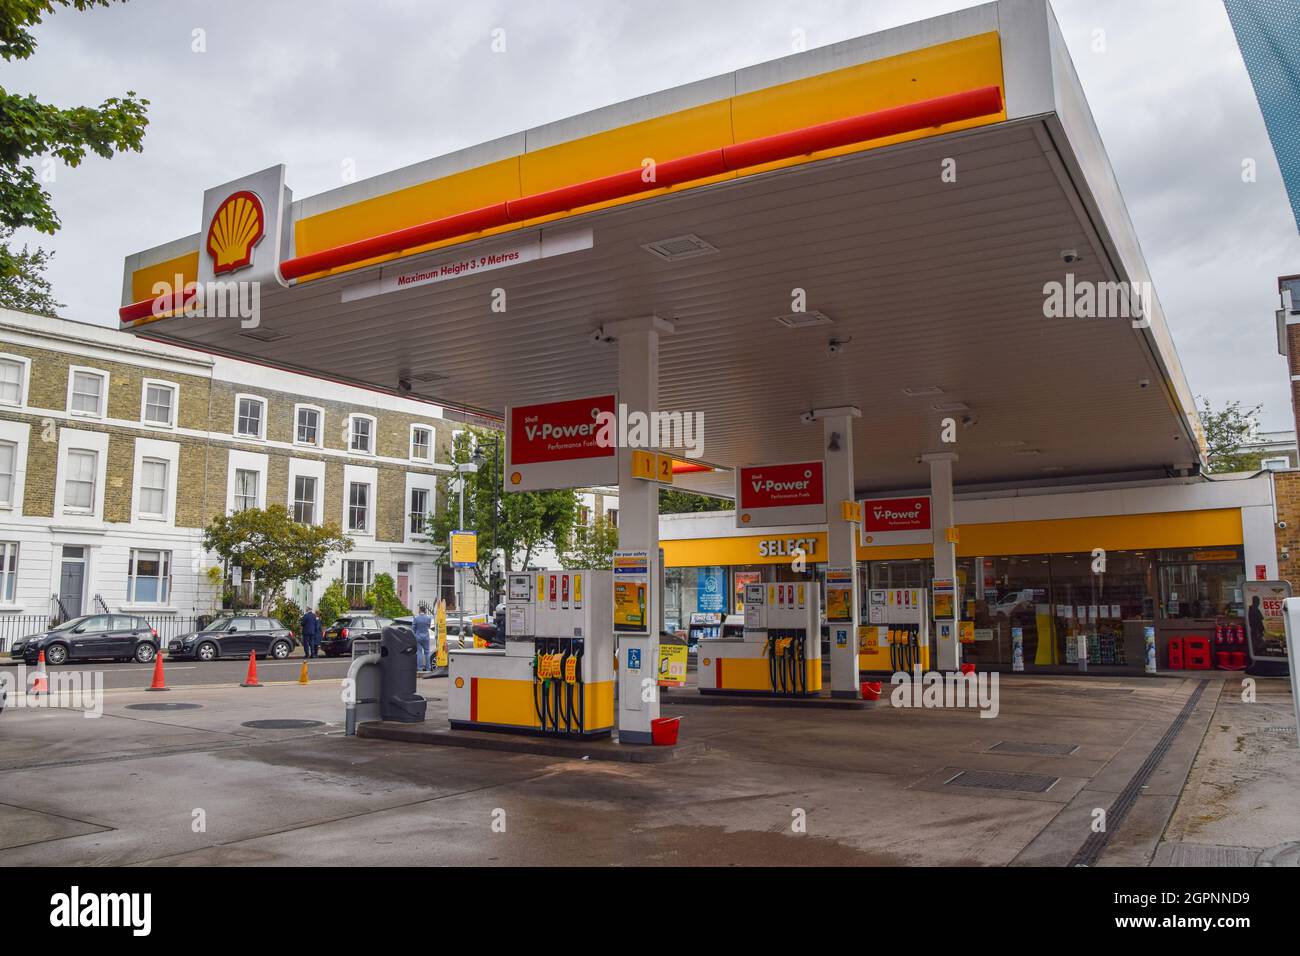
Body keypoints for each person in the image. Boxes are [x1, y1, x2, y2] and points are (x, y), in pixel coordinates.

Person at [412, 602, 434, 672]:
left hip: (418, 637)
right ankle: (428, 668)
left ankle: (420, 668)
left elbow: (413, 628)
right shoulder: (428, 618)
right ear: (425, 611)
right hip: (426, 637)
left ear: (419, 610)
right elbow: (429, 626)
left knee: (419, 652)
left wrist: (416, 633)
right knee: (427, 652)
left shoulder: (416, 618)